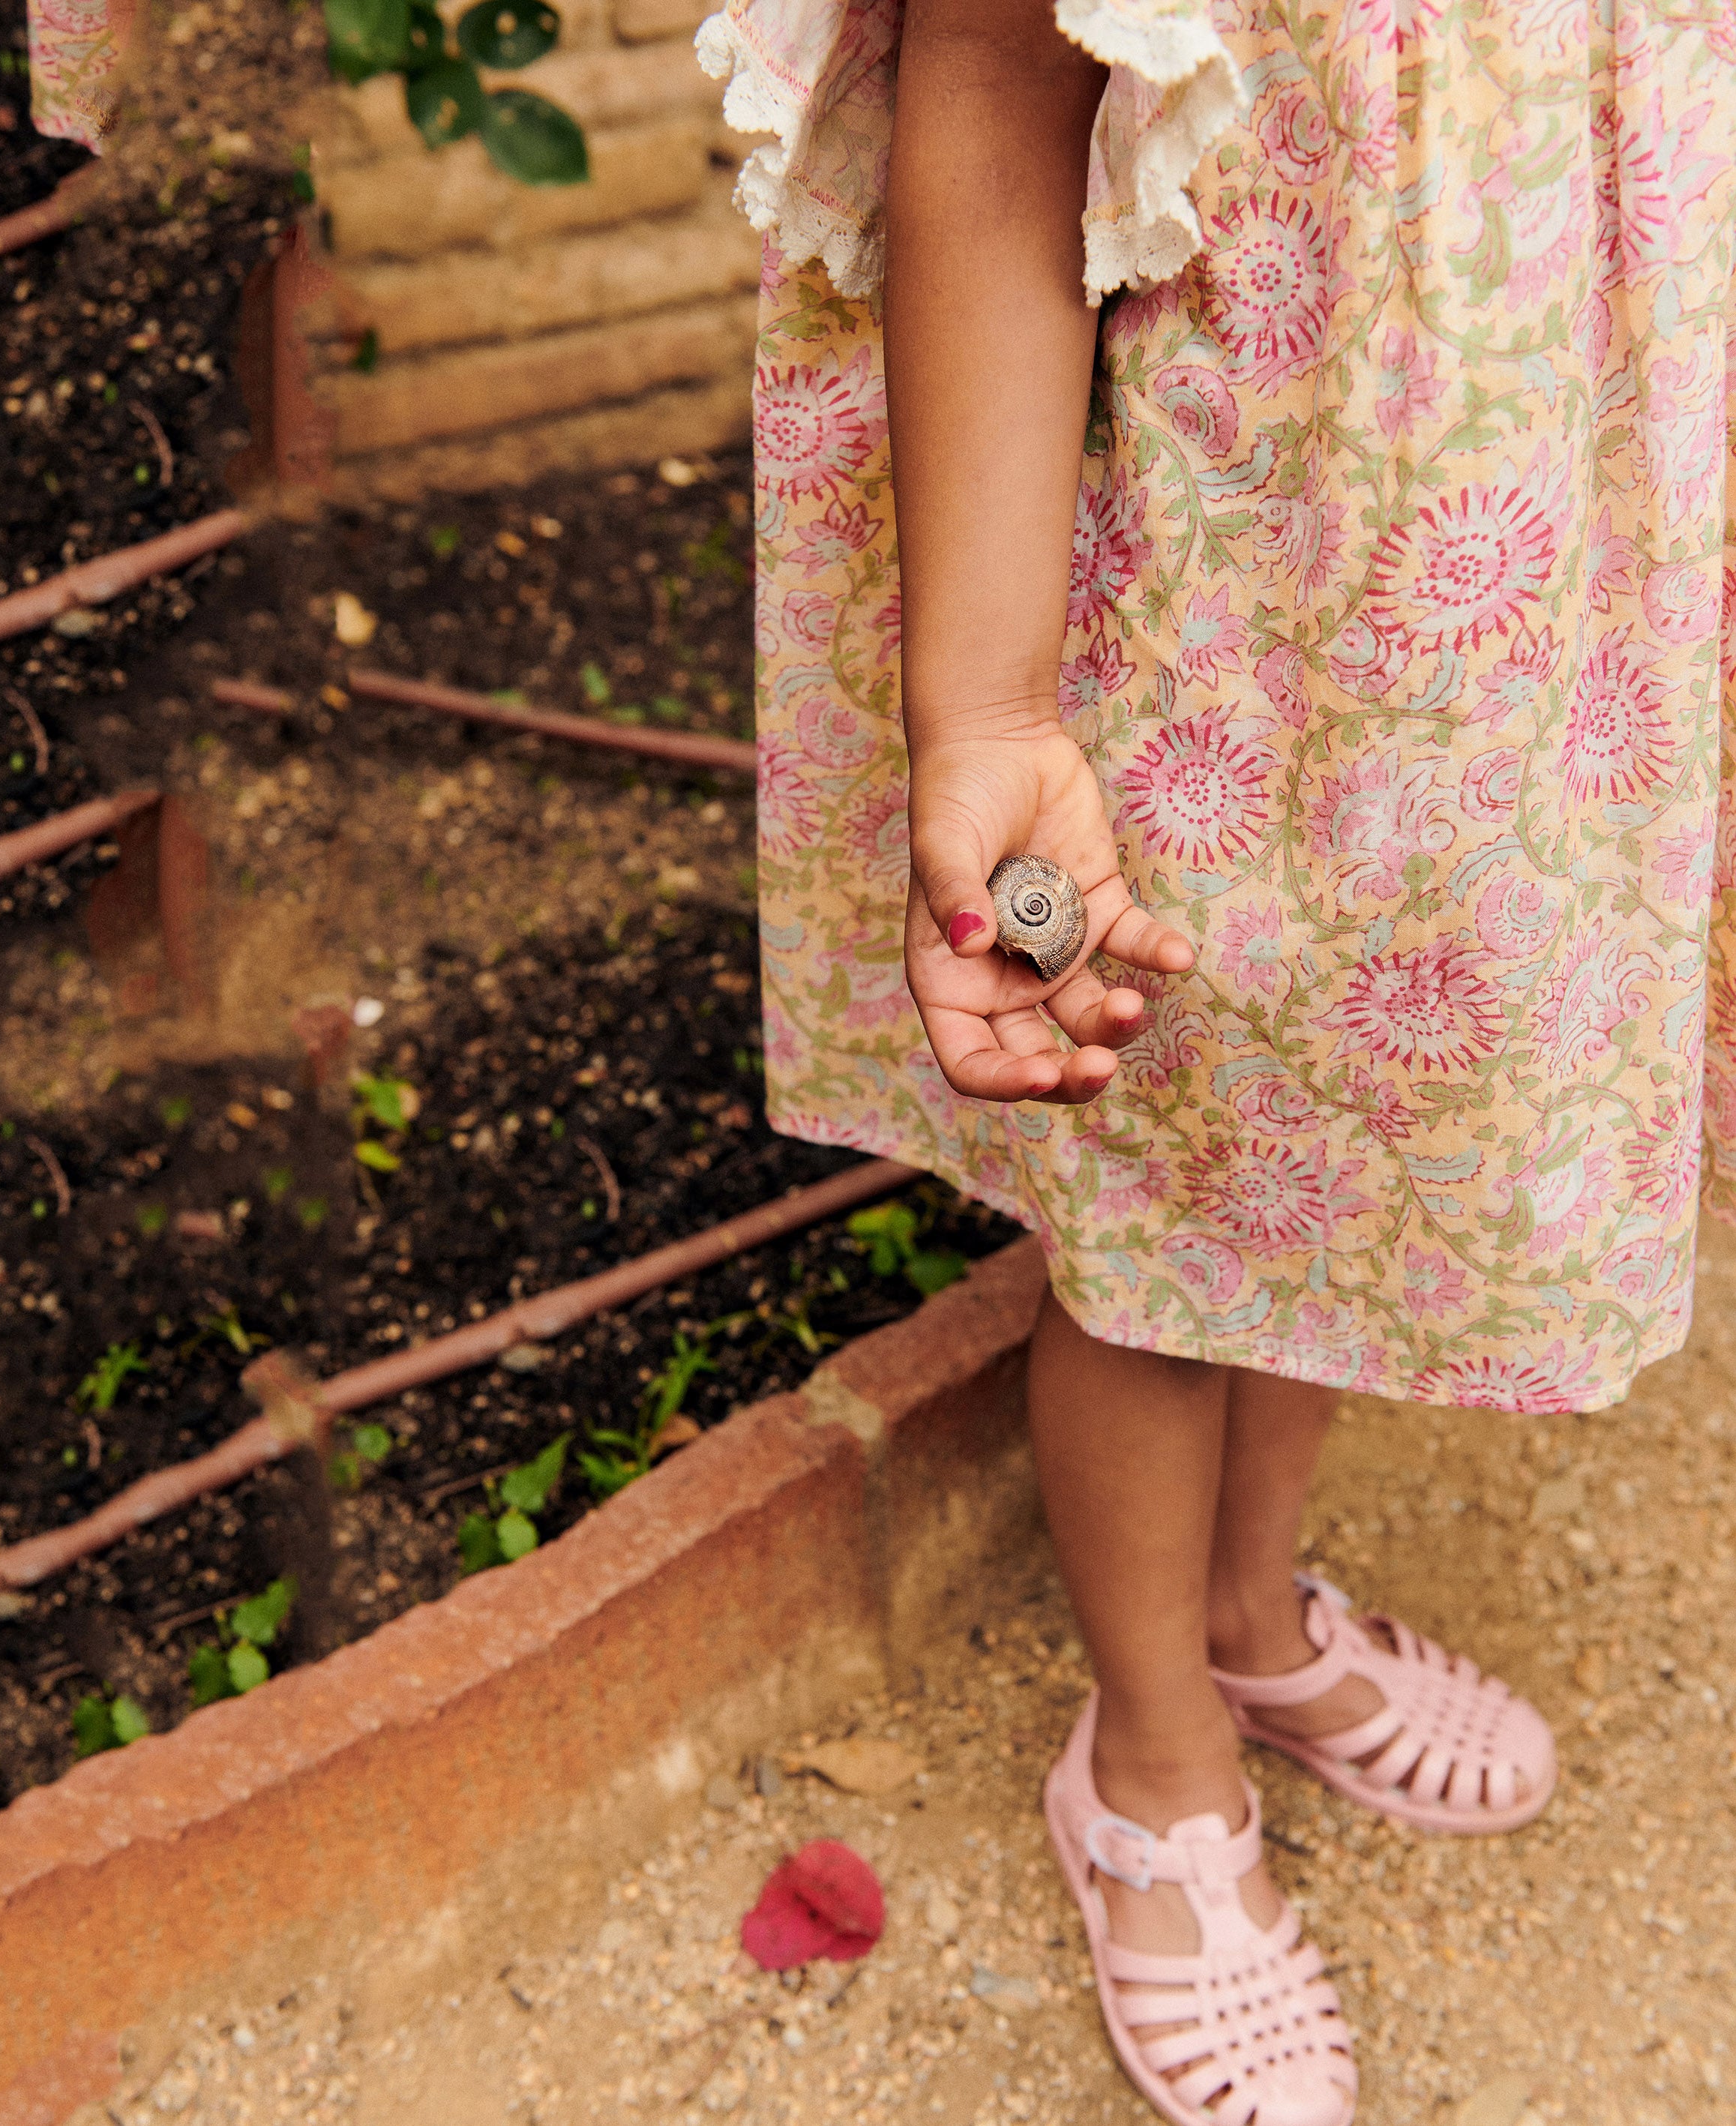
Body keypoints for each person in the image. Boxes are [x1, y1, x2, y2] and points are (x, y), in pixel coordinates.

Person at [701, 0, 1735, 2116]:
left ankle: (1253, 1615)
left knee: (1373, 1132)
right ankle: (1151, 1761)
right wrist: (983, 713)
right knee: (1175, 1178)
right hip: (1236, 542)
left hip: (1522, 536)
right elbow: (993, 81)